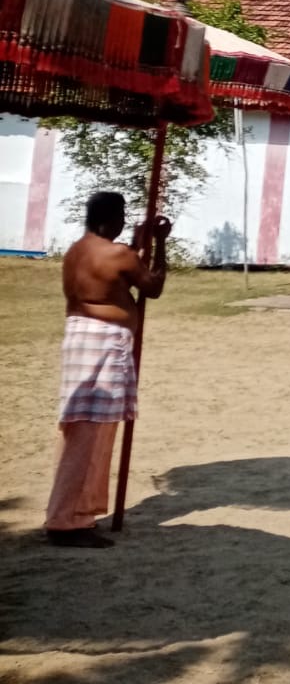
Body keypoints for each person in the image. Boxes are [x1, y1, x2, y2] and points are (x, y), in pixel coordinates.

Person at [44, 192, 170, 547]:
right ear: (108, 220)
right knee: (91, 434)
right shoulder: (118, 254)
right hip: (104, 344)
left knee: (80, 430)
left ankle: (75, 512)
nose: (122, 223)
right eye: (120, 217)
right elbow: (152, 286)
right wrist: (160, 244)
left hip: (79, 338)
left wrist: (139, 242)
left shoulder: (77, 250)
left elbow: (117, 274)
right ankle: (67, 521)